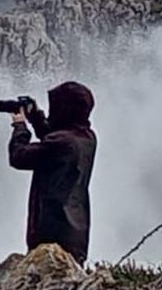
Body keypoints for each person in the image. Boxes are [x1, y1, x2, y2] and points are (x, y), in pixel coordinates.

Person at [7, 82, 98, 264]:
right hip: (75, 233)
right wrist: (36, 118)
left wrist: (20, 127)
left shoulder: (61, 143)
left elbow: (18, 157)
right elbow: (54, 139)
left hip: (50, 233)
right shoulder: (86, 137)